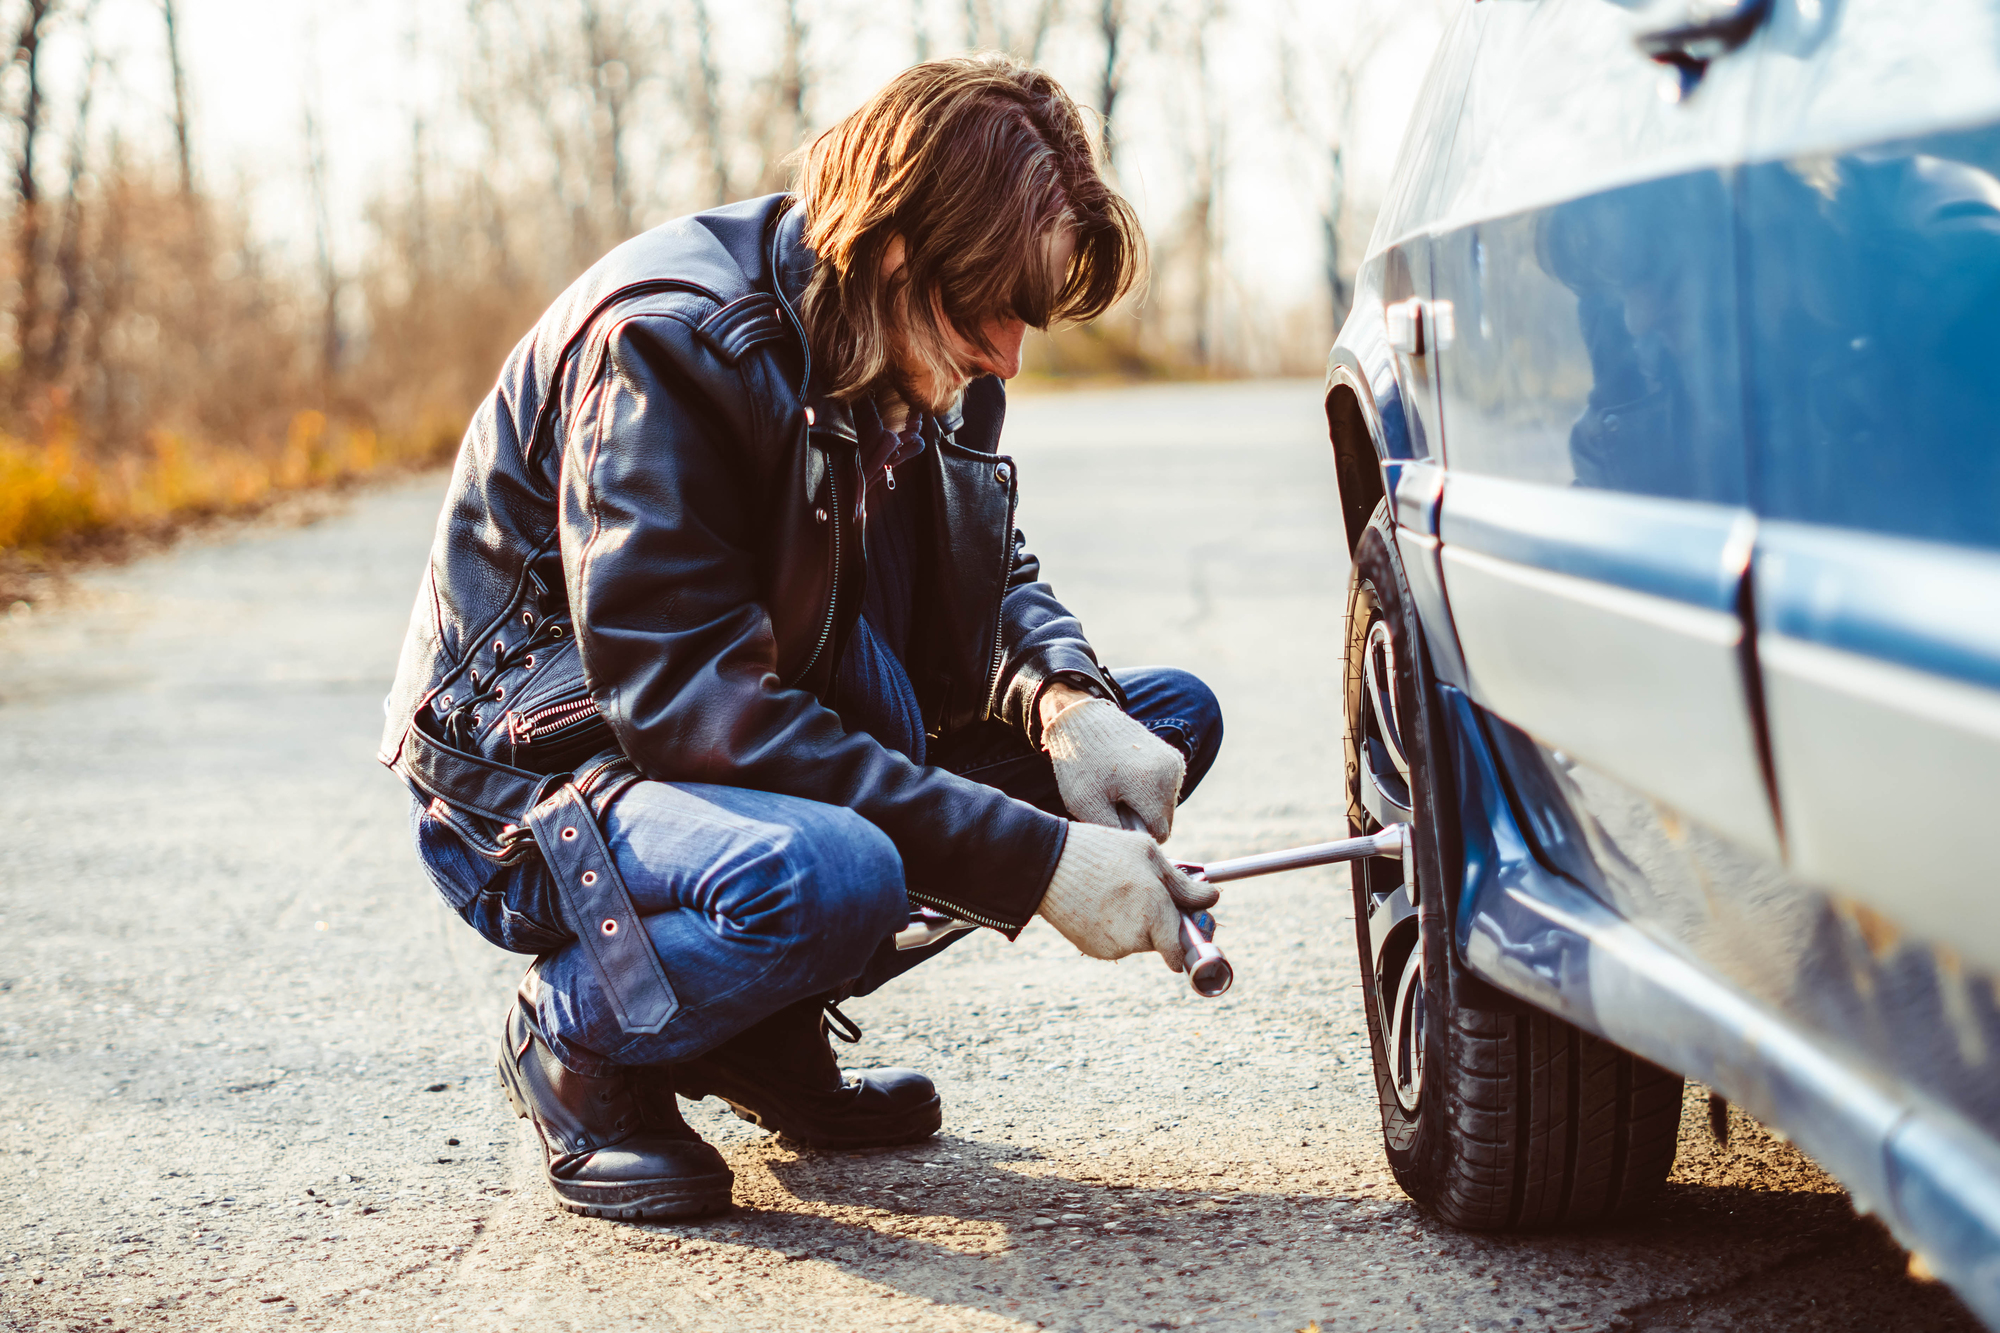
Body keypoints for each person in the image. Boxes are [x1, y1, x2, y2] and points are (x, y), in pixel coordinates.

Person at [380, 54, 1224, 1220]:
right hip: (547, 790)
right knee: (838, 872)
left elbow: (987, 580)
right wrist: (1034, 865)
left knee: (1162, 720)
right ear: (893, 252)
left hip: (739, 746)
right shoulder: (668, 346)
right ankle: (574, 1036)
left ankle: (754, 1033)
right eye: (990, 311)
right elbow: (691, 711)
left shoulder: (916, 344)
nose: (1008, 355)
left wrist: (1064, 702)